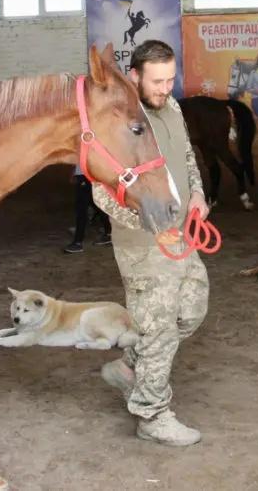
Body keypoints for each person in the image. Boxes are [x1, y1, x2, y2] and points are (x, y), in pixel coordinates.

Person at [92, 39, 210, 446]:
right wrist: (147, 222)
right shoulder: (120, 119)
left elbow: (188, 157)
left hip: (182, 231)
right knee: (158, 327)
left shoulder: (173, 108)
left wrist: (197, 194)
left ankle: (128, 368)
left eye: (171, 79)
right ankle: (152, 414)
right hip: (143, 242)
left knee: (192, 310)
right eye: (157, 81)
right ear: (136, 77)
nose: (165, 88)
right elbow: (102, 191)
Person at [63, 165, 111, 254]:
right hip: (86, 175)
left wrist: (75, 173)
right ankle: (109, 233)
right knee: (96, 205)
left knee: (81, 209)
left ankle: (78, 242)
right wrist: (74, 172)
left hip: (85, 175)